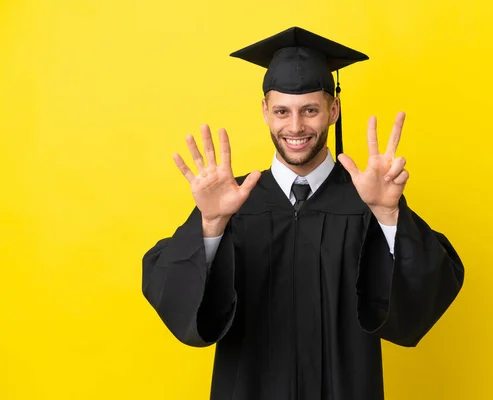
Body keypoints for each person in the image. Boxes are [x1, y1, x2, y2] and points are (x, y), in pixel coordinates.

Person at [142, 26, 465, 400]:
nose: (295, 127)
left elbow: (427, 292)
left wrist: (389, 216)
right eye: (282, 111)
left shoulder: (367, 203)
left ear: (333, 110)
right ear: (265, 111)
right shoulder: (232, 203)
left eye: (310, 110)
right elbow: (171, 292)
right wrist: (211, 225)